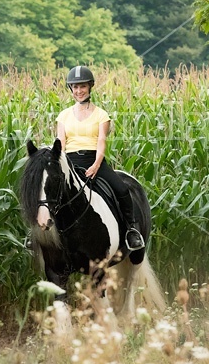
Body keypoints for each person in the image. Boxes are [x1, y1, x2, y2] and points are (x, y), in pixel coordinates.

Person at [56, 65, 144, 251]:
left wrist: (96, 165)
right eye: (75, 87)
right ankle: (38, 235)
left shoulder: (101, 115)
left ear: (90, 87)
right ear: (70, 89)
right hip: (69, 162)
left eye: (82, 86)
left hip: (93, 160)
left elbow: (101, 141)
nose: (79, 91)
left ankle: (131, 230)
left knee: (121, 189)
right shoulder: (63, 115)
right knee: (48, 191)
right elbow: (61, 142)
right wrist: (62, 164)